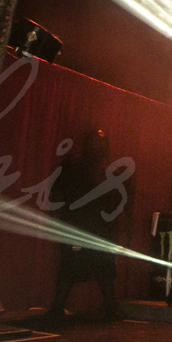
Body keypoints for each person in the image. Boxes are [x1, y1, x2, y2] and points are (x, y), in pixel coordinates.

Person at [45, 129, 123, 320]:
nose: (97, 147)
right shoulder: (73, 169)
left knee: (103, 268)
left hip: (98, 229)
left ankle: (110, 306)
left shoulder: (108, 174)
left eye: (101, 144)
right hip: (78, 226)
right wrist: (58, 223)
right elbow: (58, 195)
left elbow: (114, 205)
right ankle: (58, 306)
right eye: (94, 143)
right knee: (70, 267)